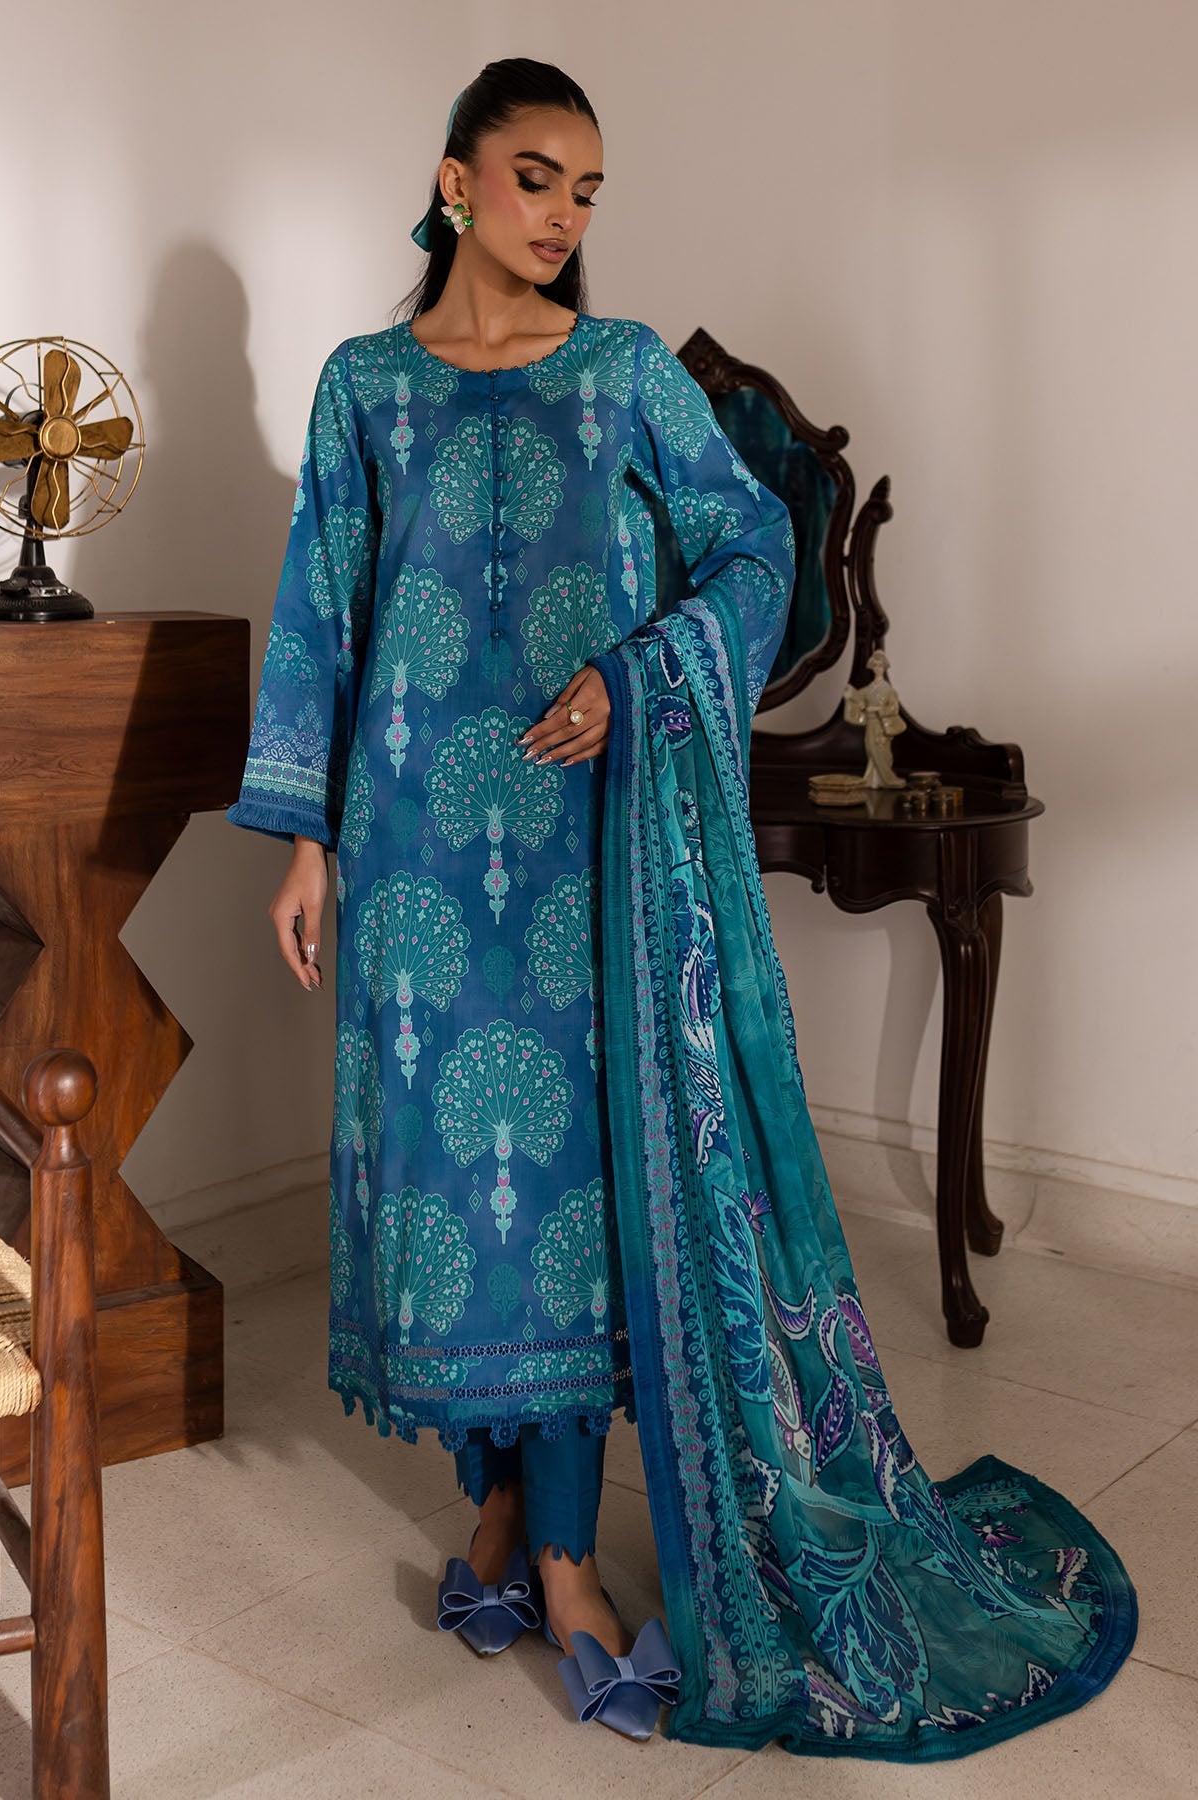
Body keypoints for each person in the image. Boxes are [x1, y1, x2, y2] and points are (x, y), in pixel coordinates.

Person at [227, 57, 1136, 1756]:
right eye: (536, 176)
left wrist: (639, 677)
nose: (564, 214)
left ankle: (569, 1561)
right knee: (455, 1190)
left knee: (568, 1195)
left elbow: (754, 551)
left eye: (586, 190)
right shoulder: (365, 388)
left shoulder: (625, 373)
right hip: (415, 852)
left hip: (584, 850)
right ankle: (498, 1511)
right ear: (454, 182)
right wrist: (305, 843)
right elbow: (321, 614)